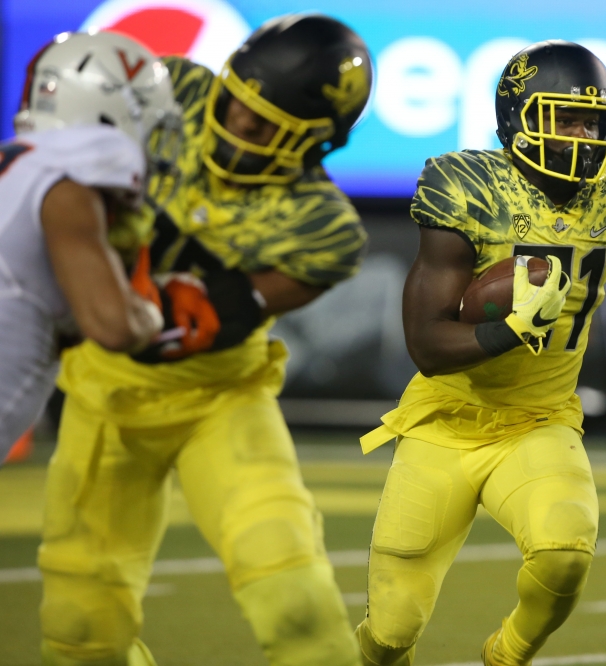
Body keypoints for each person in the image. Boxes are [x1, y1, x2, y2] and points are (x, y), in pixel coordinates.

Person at [356, 41, 606, 666]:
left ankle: (505, 656)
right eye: (565, 118)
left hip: (540, 419)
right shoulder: (468, 187)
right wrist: (510, 328)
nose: (583, 136)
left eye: (592, 121)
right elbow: (427, 344)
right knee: (392, 632)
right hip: (445, 425)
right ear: (518, 117)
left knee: (565, 552)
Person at [37, 15, 373, 666]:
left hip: (219, 401)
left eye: (265, 123)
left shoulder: (323, 226)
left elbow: (203, 318)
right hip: (103, 394)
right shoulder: (173, 89)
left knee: (294, 593)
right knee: (79, 632)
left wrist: (205, 298)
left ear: (313, 143)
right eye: (237, 101)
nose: (239, 125)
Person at [0, 31, 177, 464]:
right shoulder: (78, 170)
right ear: (113, 110)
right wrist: (152, 312)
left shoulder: (21, 162)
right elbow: (114, 327)